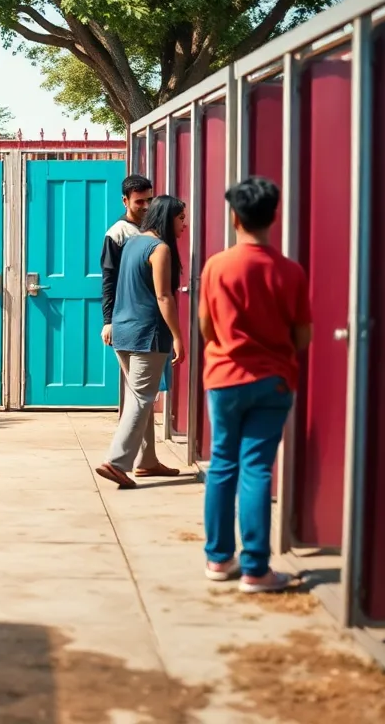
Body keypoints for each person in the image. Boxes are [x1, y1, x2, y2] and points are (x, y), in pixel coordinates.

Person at [200, 177, 311, 594]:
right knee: (257, 469)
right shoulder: (290, 271)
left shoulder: (216, 266)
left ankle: (217, 558)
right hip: (273, 381)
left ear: (234, 217)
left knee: (222, 465)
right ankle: (256, 569)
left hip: (225, 378)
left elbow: (207, 328)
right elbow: (303, 334)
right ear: (274, 216)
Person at [96, 195, 188, 490]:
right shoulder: (159, 249)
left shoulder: (134, 242)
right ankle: (117, 462)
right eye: (181, 218)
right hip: (147, 334)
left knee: (140, 396)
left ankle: (146, 460)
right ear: (167, 218)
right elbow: (164, 297)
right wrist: (177, 336)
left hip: (123, 332)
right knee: (141, 399)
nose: (184, 224)